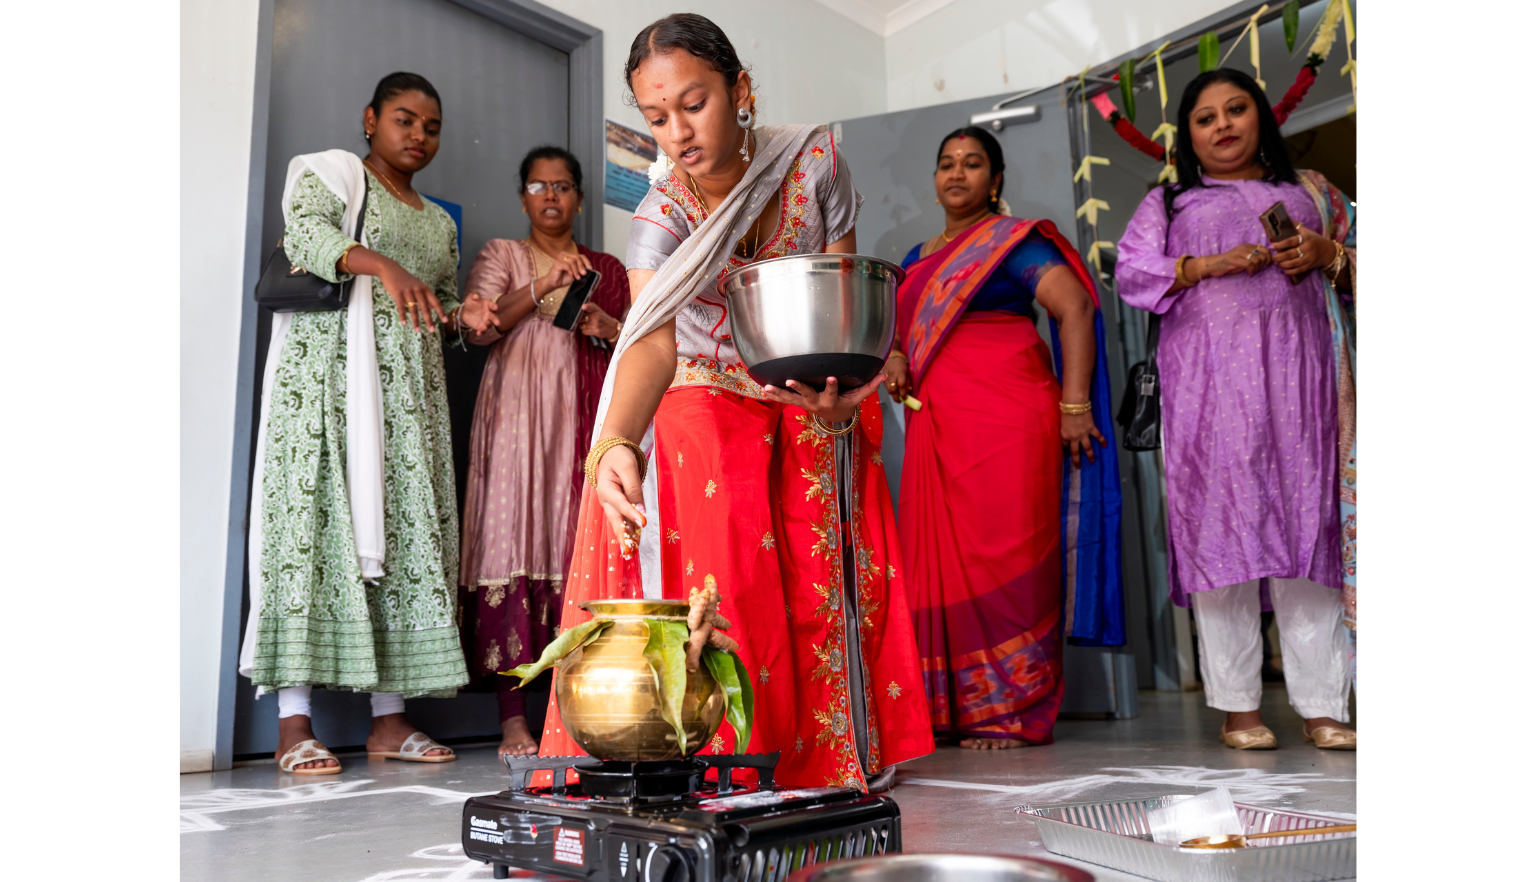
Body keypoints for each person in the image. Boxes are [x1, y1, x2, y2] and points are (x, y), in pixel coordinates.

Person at [534, 13, 933, 791]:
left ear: (739, 90)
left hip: (801, 379)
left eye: (694, 104)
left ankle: (834, 749)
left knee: (827, 477)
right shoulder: (663, 216)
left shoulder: (813, 161)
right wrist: (615, 441)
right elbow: (651, 341)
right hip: (704, 380)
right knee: (711, 483)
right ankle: (737, 754)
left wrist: (845, 391)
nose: (678, 132)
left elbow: (841, 293)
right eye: (657, 118)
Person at [239, 72, 498, 774]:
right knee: (311, 531)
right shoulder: (333, 175)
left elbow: (437, 310)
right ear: (371, 119)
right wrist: (381, 264)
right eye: (405, 120)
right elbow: (306, 235)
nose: (418, 135)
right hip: (324, 388)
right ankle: (294, 723)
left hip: (409, 406)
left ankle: (389, 721)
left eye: (432, 126)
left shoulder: (440, 223)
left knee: (404, 539)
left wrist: (466, 321)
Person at [1115, 69, 1357, 750]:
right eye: (1204, 117)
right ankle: (1239, 709)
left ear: (1261, 119)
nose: (1222, 125)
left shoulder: (1312, 193)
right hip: (1210, 392)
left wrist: (1328, 252)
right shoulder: (1169, 201)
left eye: (1236, 109)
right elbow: (1132, 271)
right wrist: (1202, 267)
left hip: (1304, 388)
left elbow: (1354, 256)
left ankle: (1321, 707)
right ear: (1188, 137)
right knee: (1224, 536)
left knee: (1310, 534)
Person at [885, 127, 1123, 750]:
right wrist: (894, 359)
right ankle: (949, 708)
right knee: (940, 563)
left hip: (1010, 416)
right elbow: (903, 338)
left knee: (1011, 553)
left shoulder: (1012, 245)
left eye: (972, 164)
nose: (957, 174)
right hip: (939, 424)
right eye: (946, 164)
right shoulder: (914, 259)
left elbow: (1074, 307)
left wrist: (1075, 406)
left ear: (996, 180)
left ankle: (1012, 708)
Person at [456, 146, 628, 757]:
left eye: (562, 186)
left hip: (582, 430)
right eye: (538, 185)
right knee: (512, 541)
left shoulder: (606, 268)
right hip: (515, 424)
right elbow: (480, 327)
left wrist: (611, 328)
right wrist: (542, 284)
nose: (551, 196)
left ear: (579, 197)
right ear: (523, 197)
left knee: (571, 546)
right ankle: (512, 720)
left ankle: (570, 715)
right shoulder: (502, 256)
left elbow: (641, 354)